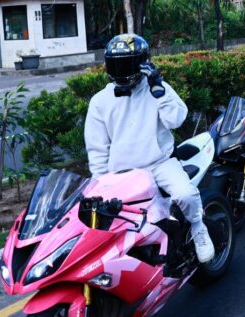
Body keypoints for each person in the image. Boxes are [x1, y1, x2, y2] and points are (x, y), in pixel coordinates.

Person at [85, 34, 214, 263]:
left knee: (185, 194)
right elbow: (97, 149)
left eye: (127, 64)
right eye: (116, 64)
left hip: (159, 164)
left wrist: (159, 89)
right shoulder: (100, 101)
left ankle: (198, 226)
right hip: (121, 175)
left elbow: (177, 120)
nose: (122, 71)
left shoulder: (157, 89)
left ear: (142, 63)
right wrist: (100, 183)